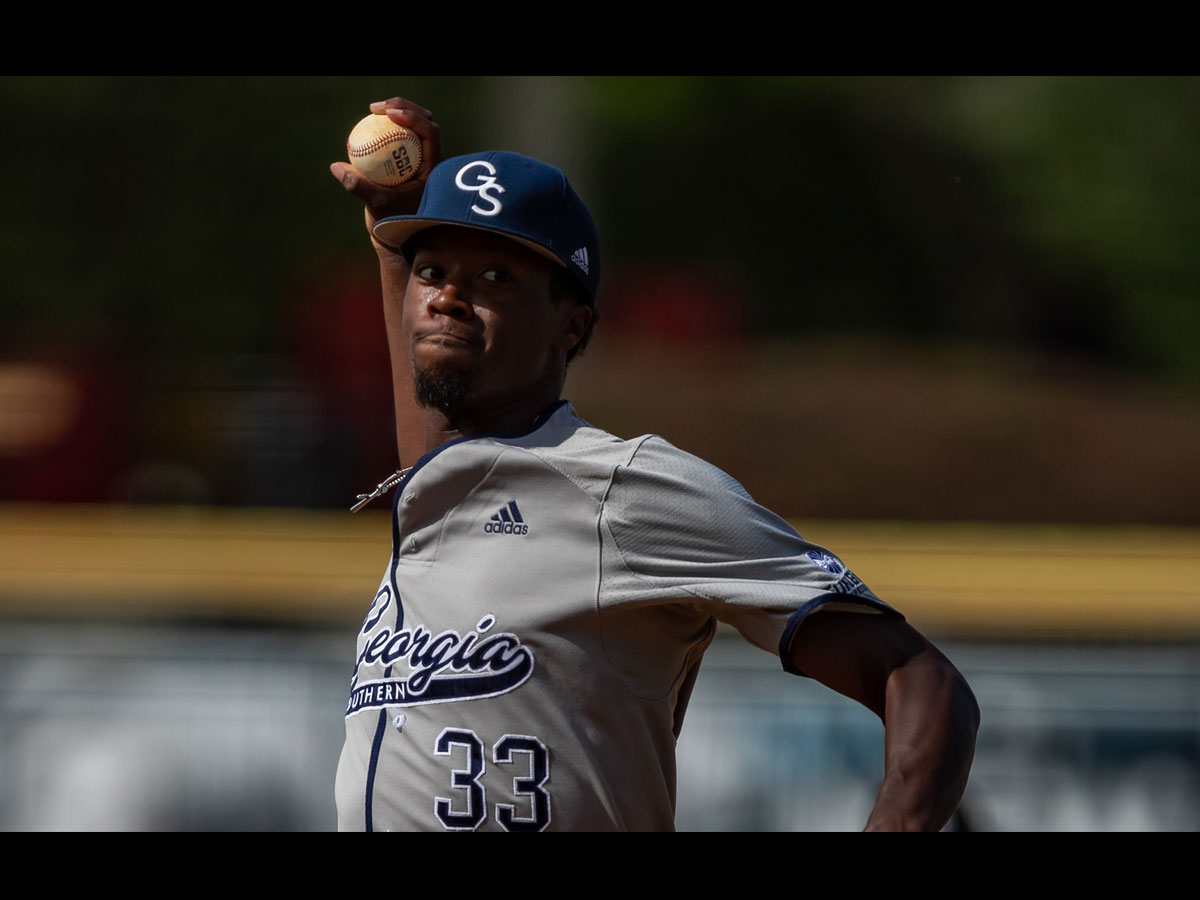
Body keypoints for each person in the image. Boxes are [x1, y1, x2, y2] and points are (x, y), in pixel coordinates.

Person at [329, 97, 980, 832]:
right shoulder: (441, 497)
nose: (447, 296)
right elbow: (440, 441)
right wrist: (392, 248)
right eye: (433, 271)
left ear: (570, 326)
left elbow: (918, 679)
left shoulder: (620, 488)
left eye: (496, 279)